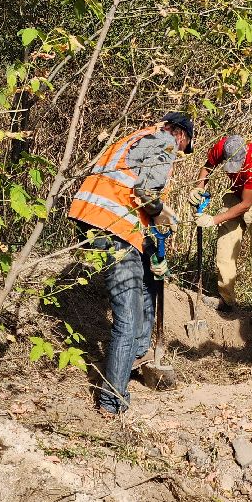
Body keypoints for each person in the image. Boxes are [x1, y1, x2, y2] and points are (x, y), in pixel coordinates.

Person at [68, 111, 194, 417]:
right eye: (183, 147)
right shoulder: (164, 142)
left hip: (93, 218)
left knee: (145, 281)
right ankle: (112, 401)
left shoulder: (136, 138)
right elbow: (145, 193)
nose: (178, 153)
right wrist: (161, 212)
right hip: (114, 227)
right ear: (180, 134)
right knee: (127, 318)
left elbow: (128, 192)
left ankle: (137, 354)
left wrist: (152, 248)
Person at [190, 134, 252, 325]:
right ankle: (226, 299)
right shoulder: (221, 146)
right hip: (236, 195)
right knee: (225, 246)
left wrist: (213, 220)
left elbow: (246, 204)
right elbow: (207, 167)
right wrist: (198, 187)